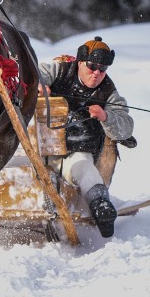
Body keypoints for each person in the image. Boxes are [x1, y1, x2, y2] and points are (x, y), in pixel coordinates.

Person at [38, 36, 134, 238]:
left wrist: (106, 116)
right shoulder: (61, 70)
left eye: (103, 68)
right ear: (80, 62)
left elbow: (126, 127)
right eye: (92, 66)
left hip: (78, 152)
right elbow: (32, 74)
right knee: (38, 170)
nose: (97, 72)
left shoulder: (108, 91)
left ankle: (102, 208)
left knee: (86, 169)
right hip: (41, 148)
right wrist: (39, 86)